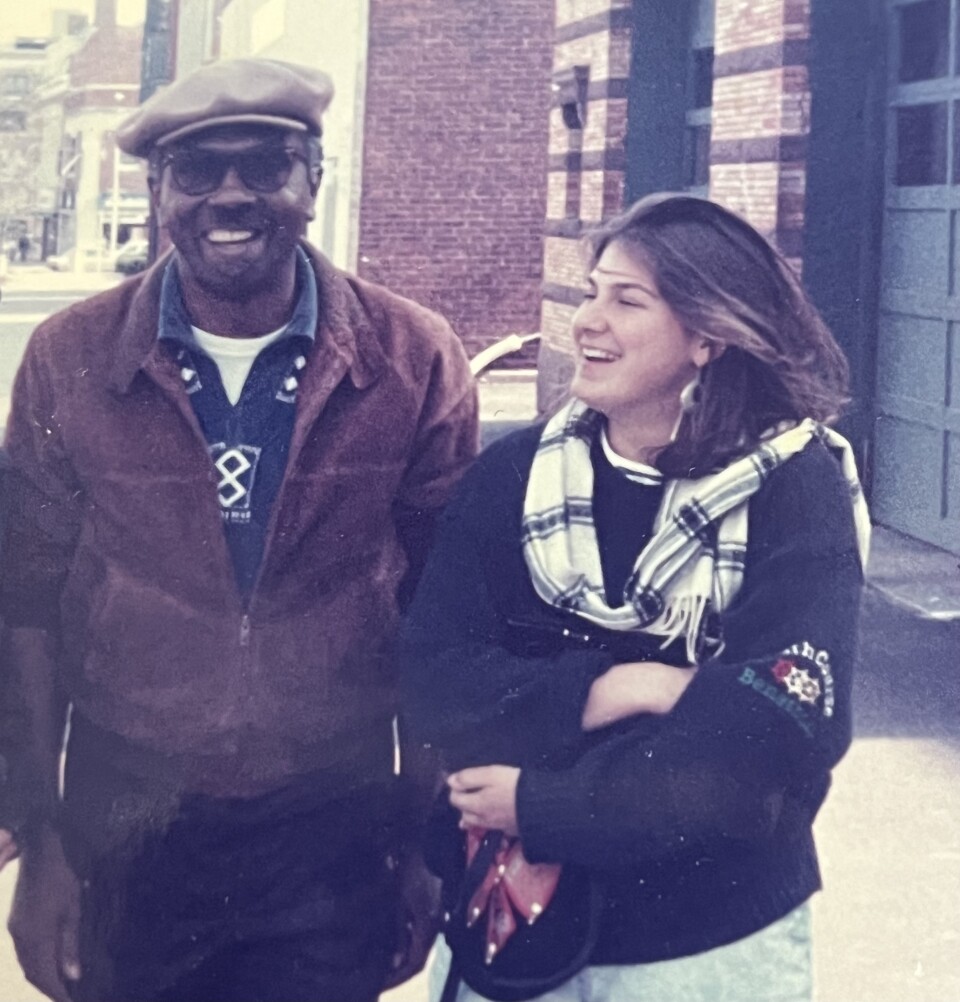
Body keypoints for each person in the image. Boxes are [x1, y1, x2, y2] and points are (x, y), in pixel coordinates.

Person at [0, 57, 477, 1002]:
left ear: (313, 182)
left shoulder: (414, 357)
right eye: (197, 170)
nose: (230, 195)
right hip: (126, 816)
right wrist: (41, 839)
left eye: (264, 165)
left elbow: (445, 622)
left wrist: (426, 839)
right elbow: (25, 608)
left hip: (331, 817)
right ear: (156, 189)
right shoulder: (69, 358)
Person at [400, 193, 871, 1002]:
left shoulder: (793, 489)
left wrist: (541, 802)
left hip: (710, 943)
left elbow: (778, 736)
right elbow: (433, 682)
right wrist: (614, 688)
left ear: (707, 335)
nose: (587, 320)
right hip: (511, 931)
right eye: (591, 293)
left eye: (626, 300)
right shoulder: (514, 478)